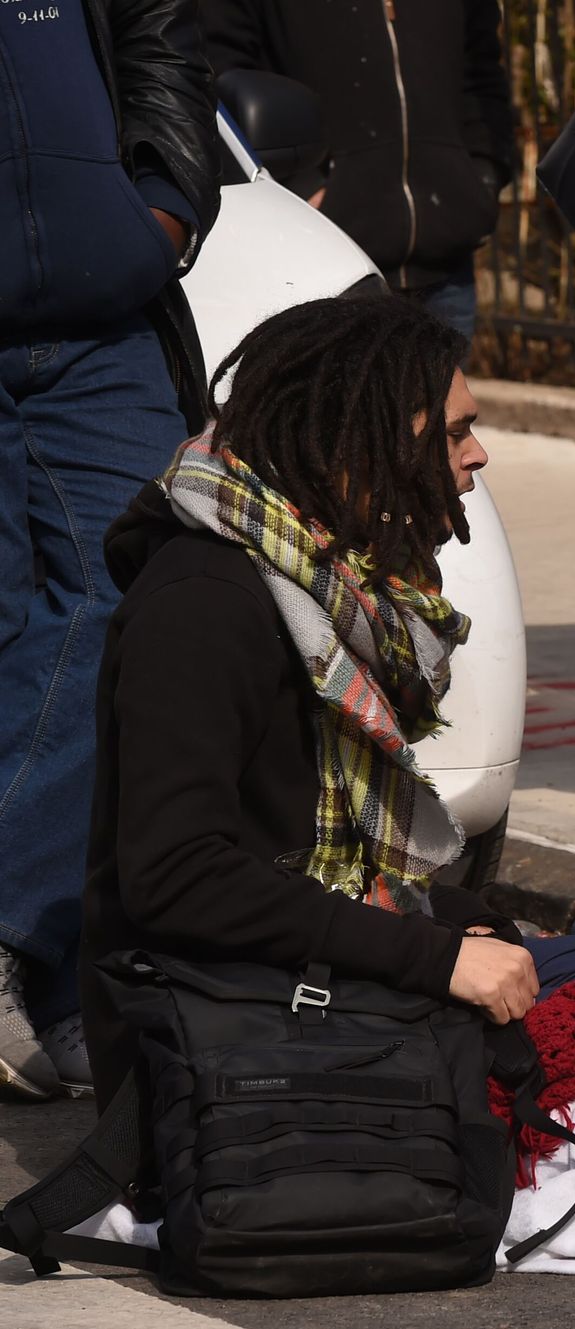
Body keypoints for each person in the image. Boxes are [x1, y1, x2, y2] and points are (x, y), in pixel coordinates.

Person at [77, 297, 540, 1105]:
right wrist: (432, 955)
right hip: (218, 1047)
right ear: (363, 447)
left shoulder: (330, 591)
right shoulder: (202, 603)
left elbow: (294, 853)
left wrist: (455, 922)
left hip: (292, 992)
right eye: (457, 430)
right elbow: (176, 876)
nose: (480, 455)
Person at [0, 0, 221, 1102]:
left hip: (107, 326)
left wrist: (166, 210)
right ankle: (54, 986)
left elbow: (165, 42)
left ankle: (41, 959)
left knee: (147, 594)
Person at [198, 0, 518, 339]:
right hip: (327, 265)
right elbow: (223, 69)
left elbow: (482, 74)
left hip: (448, 267)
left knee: (449, 392)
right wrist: (302, 185)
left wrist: (484, 175)